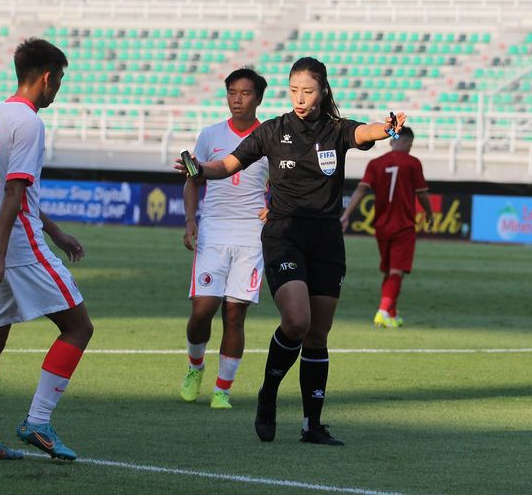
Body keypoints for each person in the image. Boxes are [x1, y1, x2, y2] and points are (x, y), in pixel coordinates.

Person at [176, 57, 406, 446]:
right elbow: (228, 165)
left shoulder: (335, 130)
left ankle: (311, 425)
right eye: (294, 90)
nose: (300, 98)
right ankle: (268, 394)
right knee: (297, 322)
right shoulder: (272, 130)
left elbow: (364, 133)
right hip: (284, 235)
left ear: (323, 91)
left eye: (308, 90)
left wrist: (385, 128)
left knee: (318, 334)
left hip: (327, 240)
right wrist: (200, 169)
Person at [0, 38, 93, 461]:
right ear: (45, 77)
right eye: (59, 80)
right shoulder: (30, 122)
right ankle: (37, 421)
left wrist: (55, 231)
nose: (58, 88)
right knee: (78, 327)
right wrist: (3, 253)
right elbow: (15, 190)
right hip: (16, 247)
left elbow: (13, 188)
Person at [179, 68, 269, 410]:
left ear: (258, 98)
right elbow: (193, 179)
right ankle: (195, 367)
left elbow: (286, 182)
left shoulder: (270, 136)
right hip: (214, 229)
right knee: (203, 309)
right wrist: (190, 220)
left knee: (235, 314)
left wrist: (273, 208)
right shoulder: (210, 134)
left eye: (244, 93)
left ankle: (222, 390)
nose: (236, 99)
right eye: (232, 92)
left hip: (251, 234)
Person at [340, 127, 432, 328]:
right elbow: (423, 194)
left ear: (391, 142)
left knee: (390, 271)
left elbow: (361, 190)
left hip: (382, 225)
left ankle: (391, 313)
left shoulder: (375, 163)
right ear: (409, 143)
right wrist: (429, 213)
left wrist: (346, 215)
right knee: (396, 272)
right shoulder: (413, 163)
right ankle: (382, 311)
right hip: (404, 225)